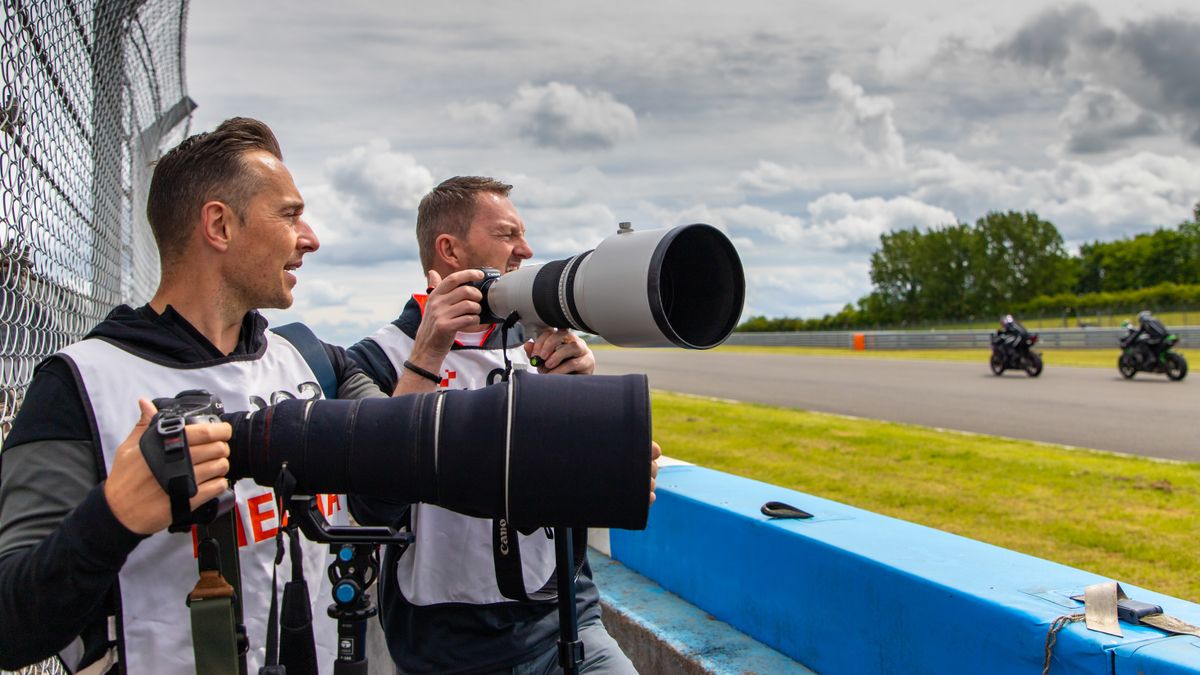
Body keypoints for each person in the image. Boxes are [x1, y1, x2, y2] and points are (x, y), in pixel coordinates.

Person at [0, 117, 435, 674]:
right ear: (219, 225)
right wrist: (114, 514)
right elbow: (12, 629)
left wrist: (430, 351)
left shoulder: (314, 362)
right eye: (290, 214)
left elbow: (384, 492)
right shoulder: (79, 383)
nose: (311, 238)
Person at [348, 176, 636, 674]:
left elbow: (573, 486)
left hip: (564, 619)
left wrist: (584, 400)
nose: (525, 249)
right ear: (450, 249)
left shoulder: (539, 343)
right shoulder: (373, 359)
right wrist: (427, 356)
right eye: (507, 235)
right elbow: (372, 505)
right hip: (445, 646)